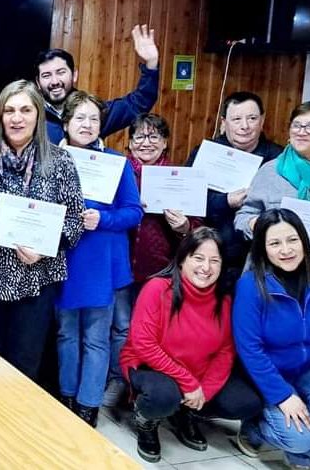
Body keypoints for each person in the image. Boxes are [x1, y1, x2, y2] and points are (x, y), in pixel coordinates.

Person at [0, 80, 85, 381]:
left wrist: (46, 248)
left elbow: (74, 221)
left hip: (36, 282)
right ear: (0, 116)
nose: (17, 118)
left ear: (38, 116)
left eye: (25, 110)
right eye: (10, 110)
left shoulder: (60, 161)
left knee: (25, 366)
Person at [121, 227, 262, 463]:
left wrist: (204, 392)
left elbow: (226, 352)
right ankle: (146, 422)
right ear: (182, 260)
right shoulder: (157, 288)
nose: (206, 268)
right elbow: (143, 344)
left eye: (214, 261)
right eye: (198, 258)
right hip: (152, 369)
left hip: (197, 373)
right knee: (164, 395)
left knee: (248, 401)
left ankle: (187, 412)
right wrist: (187, 383)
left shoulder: (224, 301)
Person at [233, 208, 310, 469]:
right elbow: (250, 349)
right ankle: (255, 429)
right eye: (275, 243)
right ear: (262, 249)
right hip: (271, 373)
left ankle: (302, 459)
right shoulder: (250, 285)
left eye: (292, 240)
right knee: (298, 438)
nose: (286, 250)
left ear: (304, 240)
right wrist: (283, 396)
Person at [54, 91, 143, 427]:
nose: (87, 125)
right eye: (80, 118)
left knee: (96, 335)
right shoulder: (50, 161)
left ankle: (88, 403)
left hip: (100, 263)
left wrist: (101, 219)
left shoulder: (115, 163)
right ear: (66, 123)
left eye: (94, 119)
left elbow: (133, 213)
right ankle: (66, 394)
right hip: (64, 258)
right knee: (66, 333)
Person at [103, 113, 203, 407]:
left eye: (153, 136)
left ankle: (152, 386)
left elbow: (197, 227)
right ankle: (120, 380)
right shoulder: (118, 172)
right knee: (121, 327)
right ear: (130, 143)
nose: (146, 143)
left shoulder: (179, 177)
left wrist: (183, 226)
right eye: (139, 137)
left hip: (159, 271)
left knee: (153, 333)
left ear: (165, 142)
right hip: (121, 266)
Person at [234, 101, 310, 276]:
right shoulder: (269, 170)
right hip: (269, 274)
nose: (301, 132)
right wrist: (255, 224)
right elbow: (243, 216)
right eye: (296, 125)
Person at [186, 92, 283, 289]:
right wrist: (226, 201)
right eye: (237, 119)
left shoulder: (278, 159)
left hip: (261, 258)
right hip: (212, 256)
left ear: (262, 120)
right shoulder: (207, 152)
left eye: (252, 118)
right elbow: (187, 198)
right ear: (224, 122)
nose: (245, 126)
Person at [36, 24, 159, 144]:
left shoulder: (96, 111)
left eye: (60, 72)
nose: (55, 81)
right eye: (46, 75)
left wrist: (151, 63)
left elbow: (138, 103)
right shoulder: (30, 115)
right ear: (38, 82)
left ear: (74, 75)